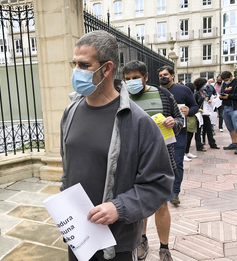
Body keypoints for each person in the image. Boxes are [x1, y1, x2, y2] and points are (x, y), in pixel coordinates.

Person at [60, 30, 175, 261]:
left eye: (84, 65)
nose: (76, 72)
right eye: (74, 64)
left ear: (107, 68)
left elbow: (159, 184)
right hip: (77, 236)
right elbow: (68, 168)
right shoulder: (70, 112)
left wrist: (118, 208)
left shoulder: (138, 122)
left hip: (116, 245)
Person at [123, 60, 183, 261]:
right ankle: (142, 240)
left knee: (161, 205)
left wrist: (175, 122)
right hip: (134, 162)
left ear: (145, 77)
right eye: (127, 79)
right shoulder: (122, 97)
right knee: (140, 205)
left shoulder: (164, 94)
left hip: (161, 160)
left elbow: (179, 120)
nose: (131, 82)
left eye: (135, 78)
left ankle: (164, 248)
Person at [157, 65, 199, 205]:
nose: (163, 77)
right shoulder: (156, 91)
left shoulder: (184, 90)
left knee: (177, 163)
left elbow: (195, 106)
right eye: (160, 75)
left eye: (165, 74)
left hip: (180, 133)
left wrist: (189, 111)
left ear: (172, 75)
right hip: (161, 133)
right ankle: (162, 190)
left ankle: (175, 193)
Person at [220, 71, 237, 154]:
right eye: (224, 80)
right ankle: (234, 143)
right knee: (230, 126)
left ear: (231, 76)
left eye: (226, 79)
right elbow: (223, 92)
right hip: (226, 107)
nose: (225, 81)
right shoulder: (224, 84)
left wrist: (230, 96)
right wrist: (222, 97)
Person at [193, 77, 220, 151]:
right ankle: (199, 146)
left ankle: (212, 144)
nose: (206, 86)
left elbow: (207, 99)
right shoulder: (196, 93)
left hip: (206, 113)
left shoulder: (204, 92)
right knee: (198, 131)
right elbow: (194, 103)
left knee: (209, 129)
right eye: (204, 84)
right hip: (199, 113)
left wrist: (210, 100)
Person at [184, 82, 198, 162]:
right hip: (188, 119)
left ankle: (187, 152)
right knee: (187, 137)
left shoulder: (191, 96)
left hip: (192, 118)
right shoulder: (186, 96)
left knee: (190, 136)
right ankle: (184, 153)